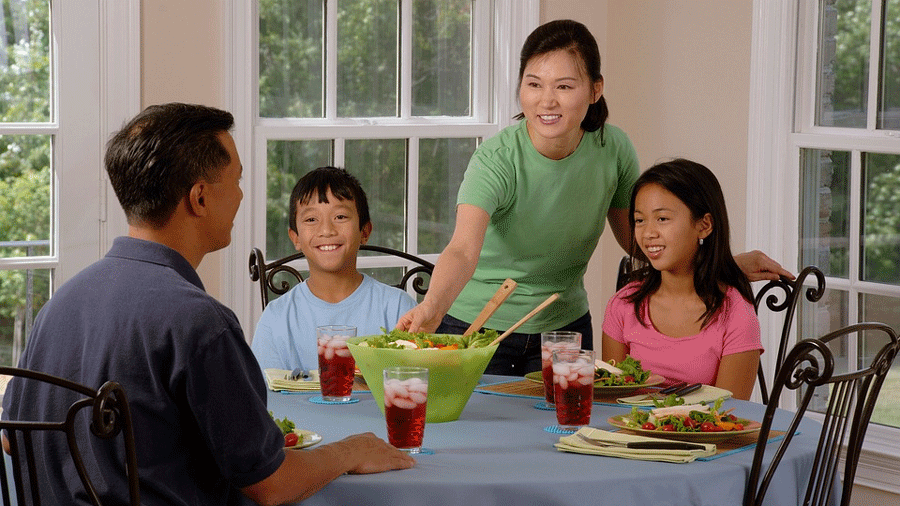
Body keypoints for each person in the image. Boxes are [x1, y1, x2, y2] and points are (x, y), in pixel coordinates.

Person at [1, 103, 414, 505]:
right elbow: (272, 484)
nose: (239, 196)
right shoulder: (199, 323)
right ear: (199, 198)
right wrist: (349, 451)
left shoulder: (60, 305)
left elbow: (10, 436)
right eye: (236, 180)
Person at [396, 19, 788, 376]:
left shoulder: (613, 148)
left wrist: (721, 262)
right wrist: (432, 309)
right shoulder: (496, 160)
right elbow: (463, 251)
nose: (547, 101)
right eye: (534, 84)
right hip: (475, 326)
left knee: (568, 440)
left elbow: (640, 240)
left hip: (564, 331)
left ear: (595, 89)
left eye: (564, 86)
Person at [602, 159, 762, 400]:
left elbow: (730, 415)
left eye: (662, 219)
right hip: (626, 434)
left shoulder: (736, 314)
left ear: (704, 225)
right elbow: (609, 401)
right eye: (639, 220)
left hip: (701, 437)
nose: (648, 233)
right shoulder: (623, 305)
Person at [251, 166, 416, 372]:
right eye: (311, 219)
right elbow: (264, 398)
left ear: (365, 231)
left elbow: (415, 385)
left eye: (340, 217)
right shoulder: (276, 318)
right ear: (295, 238)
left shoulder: (398, 308)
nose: (327, 230)